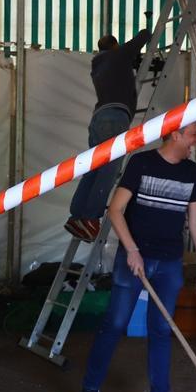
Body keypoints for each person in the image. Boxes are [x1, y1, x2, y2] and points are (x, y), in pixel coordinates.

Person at [74, 122, 196, 392]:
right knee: (115, 324)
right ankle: (89, 390)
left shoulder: (191, 172)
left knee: (161, 331)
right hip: (133, 257)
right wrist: (132, 250)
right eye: (193, 134)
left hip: (170, 262)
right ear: (175, 134)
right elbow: (116, 209)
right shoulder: (141, 163)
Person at [65, 30, 153, 242]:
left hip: (99, 118)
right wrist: (149, 30)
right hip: (115, 118)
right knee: (109, 169)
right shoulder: (119, 55)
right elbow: (143, 36)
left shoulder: (98, 65)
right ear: (115, 46)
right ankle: (90, 218)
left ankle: (77, 215)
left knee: (93, 169)